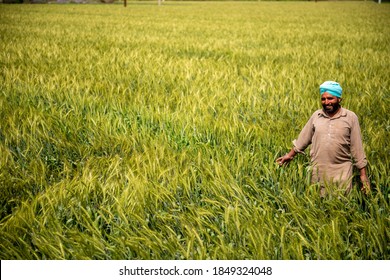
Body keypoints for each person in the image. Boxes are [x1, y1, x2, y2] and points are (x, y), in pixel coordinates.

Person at [276, 81, 370, 196]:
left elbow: (357, 147)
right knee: (318, 205)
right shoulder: (316, 116)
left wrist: (363, 175)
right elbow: (303, 140)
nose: (326, 102)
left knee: (341, 205)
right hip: (318, 171)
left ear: (339, 99)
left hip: (342, 173)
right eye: (323, 99)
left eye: (330, 98)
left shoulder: (350, 117)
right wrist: (289, 155)